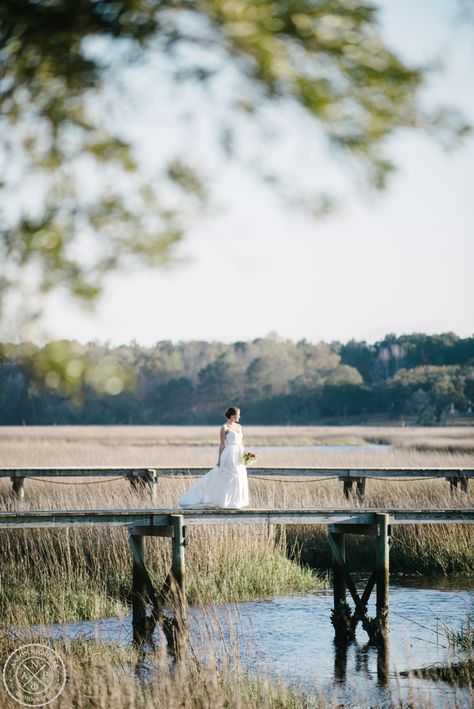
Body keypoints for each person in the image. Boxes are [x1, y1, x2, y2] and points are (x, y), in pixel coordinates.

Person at [178, 406, 249, 509]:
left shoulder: (239, 427)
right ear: (232, 415)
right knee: (230, 476)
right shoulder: (224, 427)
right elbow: (222, 445)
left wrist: (245, 456)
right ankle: (225, 502)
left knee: (239, 476)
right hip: (229, 454)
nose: (239, 416)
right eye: (238, 415)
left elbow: (241, 443)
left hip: (239, 454)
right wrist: (219, 459)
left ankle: (235, 502)